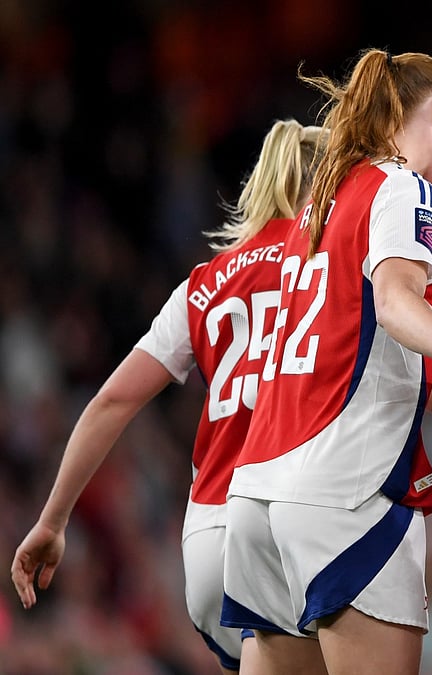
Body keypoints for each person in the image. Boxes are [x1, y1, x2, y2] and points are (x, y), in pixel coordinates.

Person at [217, 50, 432, 675]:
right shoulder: (405, 188)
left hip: (258, 495)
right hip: (345, 489)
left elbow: (428, 387)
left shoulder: (322, 202)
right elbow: (395, 301)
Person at [10, 119, 327, 675]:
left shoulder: (201, 285)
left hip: (206, 544)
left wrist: (52, 521)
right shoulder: (330, 268)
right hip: (286, 527)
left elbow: (111, 402)